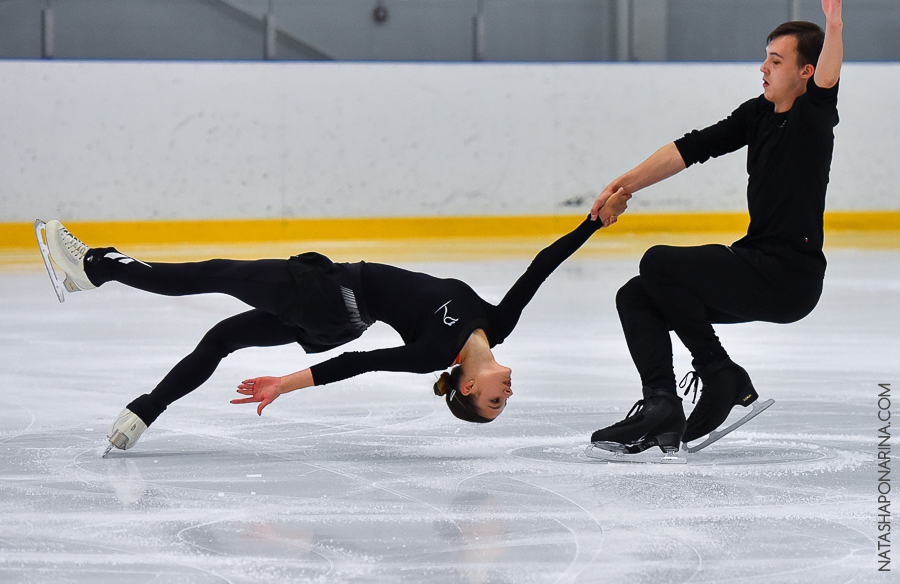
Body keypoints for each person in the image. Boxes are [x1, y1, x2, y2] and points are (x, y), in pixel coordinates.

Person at [38, 188, 628, 453]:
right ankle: (144, 412)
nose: (509, 393)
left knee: (214, 272)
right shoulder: (498, 325)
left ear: (469, 388)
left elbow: (357, 365)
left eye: (496, 402)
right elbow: (542, 266)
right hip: (341, 319)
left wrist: (283, 384)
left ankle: (95, 266)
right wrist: (592, 223)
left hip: (329, 302)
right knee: (221, 337)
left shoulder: (431, 355)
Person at [588, 0, 843, 455]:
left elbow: (829, 75)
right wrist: (624, 185)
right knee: (637, 296)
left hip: (789, 276)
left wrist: (833, 24)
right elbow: (692, 148)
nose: (763, 69)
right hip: (754, 264)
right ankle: (661, 402)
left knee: (659, 262)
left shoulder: (813, 118)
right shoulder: (758, 114)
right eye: (764, 59)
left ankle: (719, 373)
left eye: (775, 61)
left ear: (804, 72)